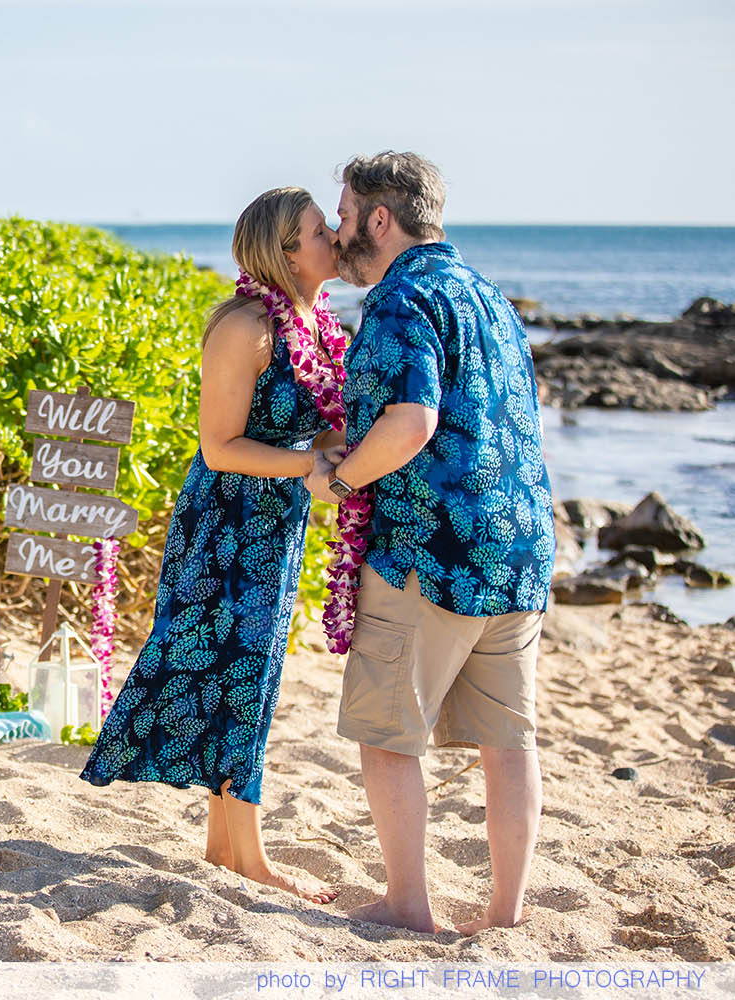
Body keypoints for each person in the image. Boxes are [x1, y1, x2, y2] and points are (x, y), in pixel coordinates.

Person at [307, 151, 554, 933]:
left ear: (382, 218)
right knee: (508, 742)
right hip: (521, 549)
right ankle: (504, 912)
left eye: (344, 217)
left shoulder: (399, 299)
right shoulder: (488, 294)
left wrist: (338, 482)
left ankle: (409, 905)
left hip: (430, 552)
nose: (340, 233)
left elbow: (411, 424)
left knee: (386, 735)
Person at [81, 187, 346, 904]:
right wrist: (310, 467)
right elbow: (220, 447)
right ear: (286, 252)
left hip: (276, 521)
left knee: (248, 675)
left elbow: (311, 423)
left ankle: (225, 845)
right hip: (227, 523)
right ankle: (250, 858)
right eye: (322, 232)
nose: (337, 239)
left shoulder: (315, 322)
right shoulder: (246, 327)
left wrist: (345, 458)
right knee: (236, 673)